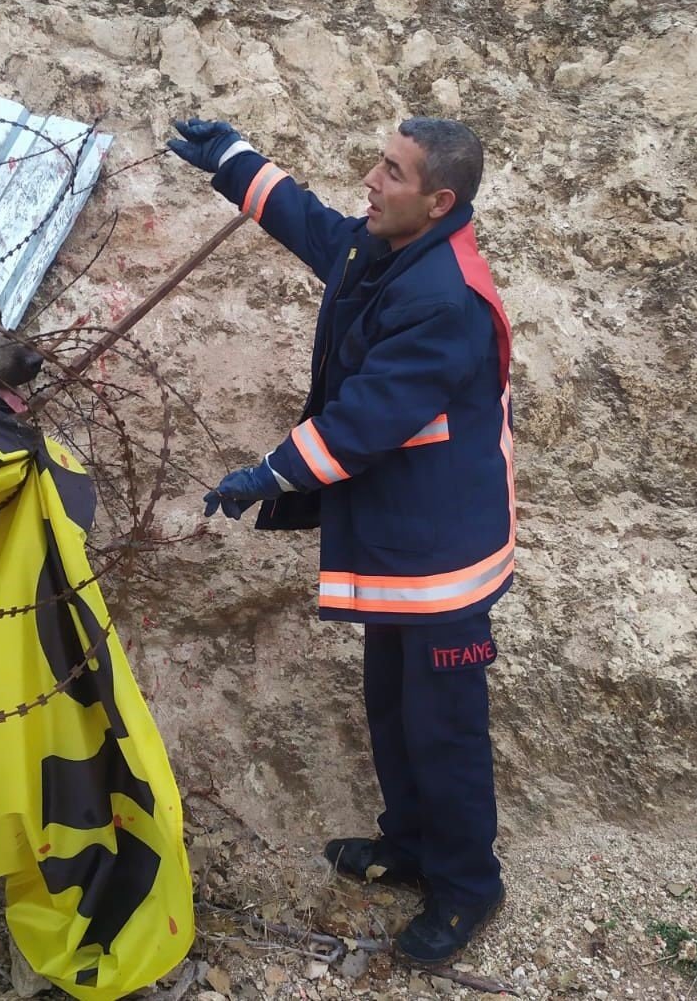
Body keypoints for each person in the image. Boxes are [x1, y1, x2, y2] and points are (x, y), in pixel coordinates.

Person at [168, 116, 514, 965]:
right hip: (404, 538)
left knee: (445, 730)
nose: (370, 178)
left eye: (391, 172)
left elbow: (364, 422)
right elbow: (319, 229)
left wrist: (267, 472)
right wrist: (236, 161)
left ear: (438, 200)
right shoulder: (397, 246)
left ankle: (468, 886)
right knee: (395, 712)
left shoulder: (444, 300)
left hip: (443, 557)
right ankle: (411, 845)